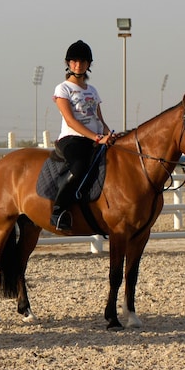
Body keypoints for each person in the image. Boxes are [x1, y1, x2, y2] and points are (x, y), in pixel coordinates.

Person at [51, 40, 114, 231]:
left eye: (83, 61)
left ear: (88, 64)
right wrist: (96, 138)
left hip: (95, 139)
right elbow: (71, 121)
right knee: (78, 167)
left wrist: (109, 135)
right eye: (74, 61)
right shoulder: (63, 89)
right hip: (72, 139)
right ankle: (58, 209)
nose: (78, 65)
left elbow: (99, 120)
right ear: (69, 63)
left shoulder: (92, 91)